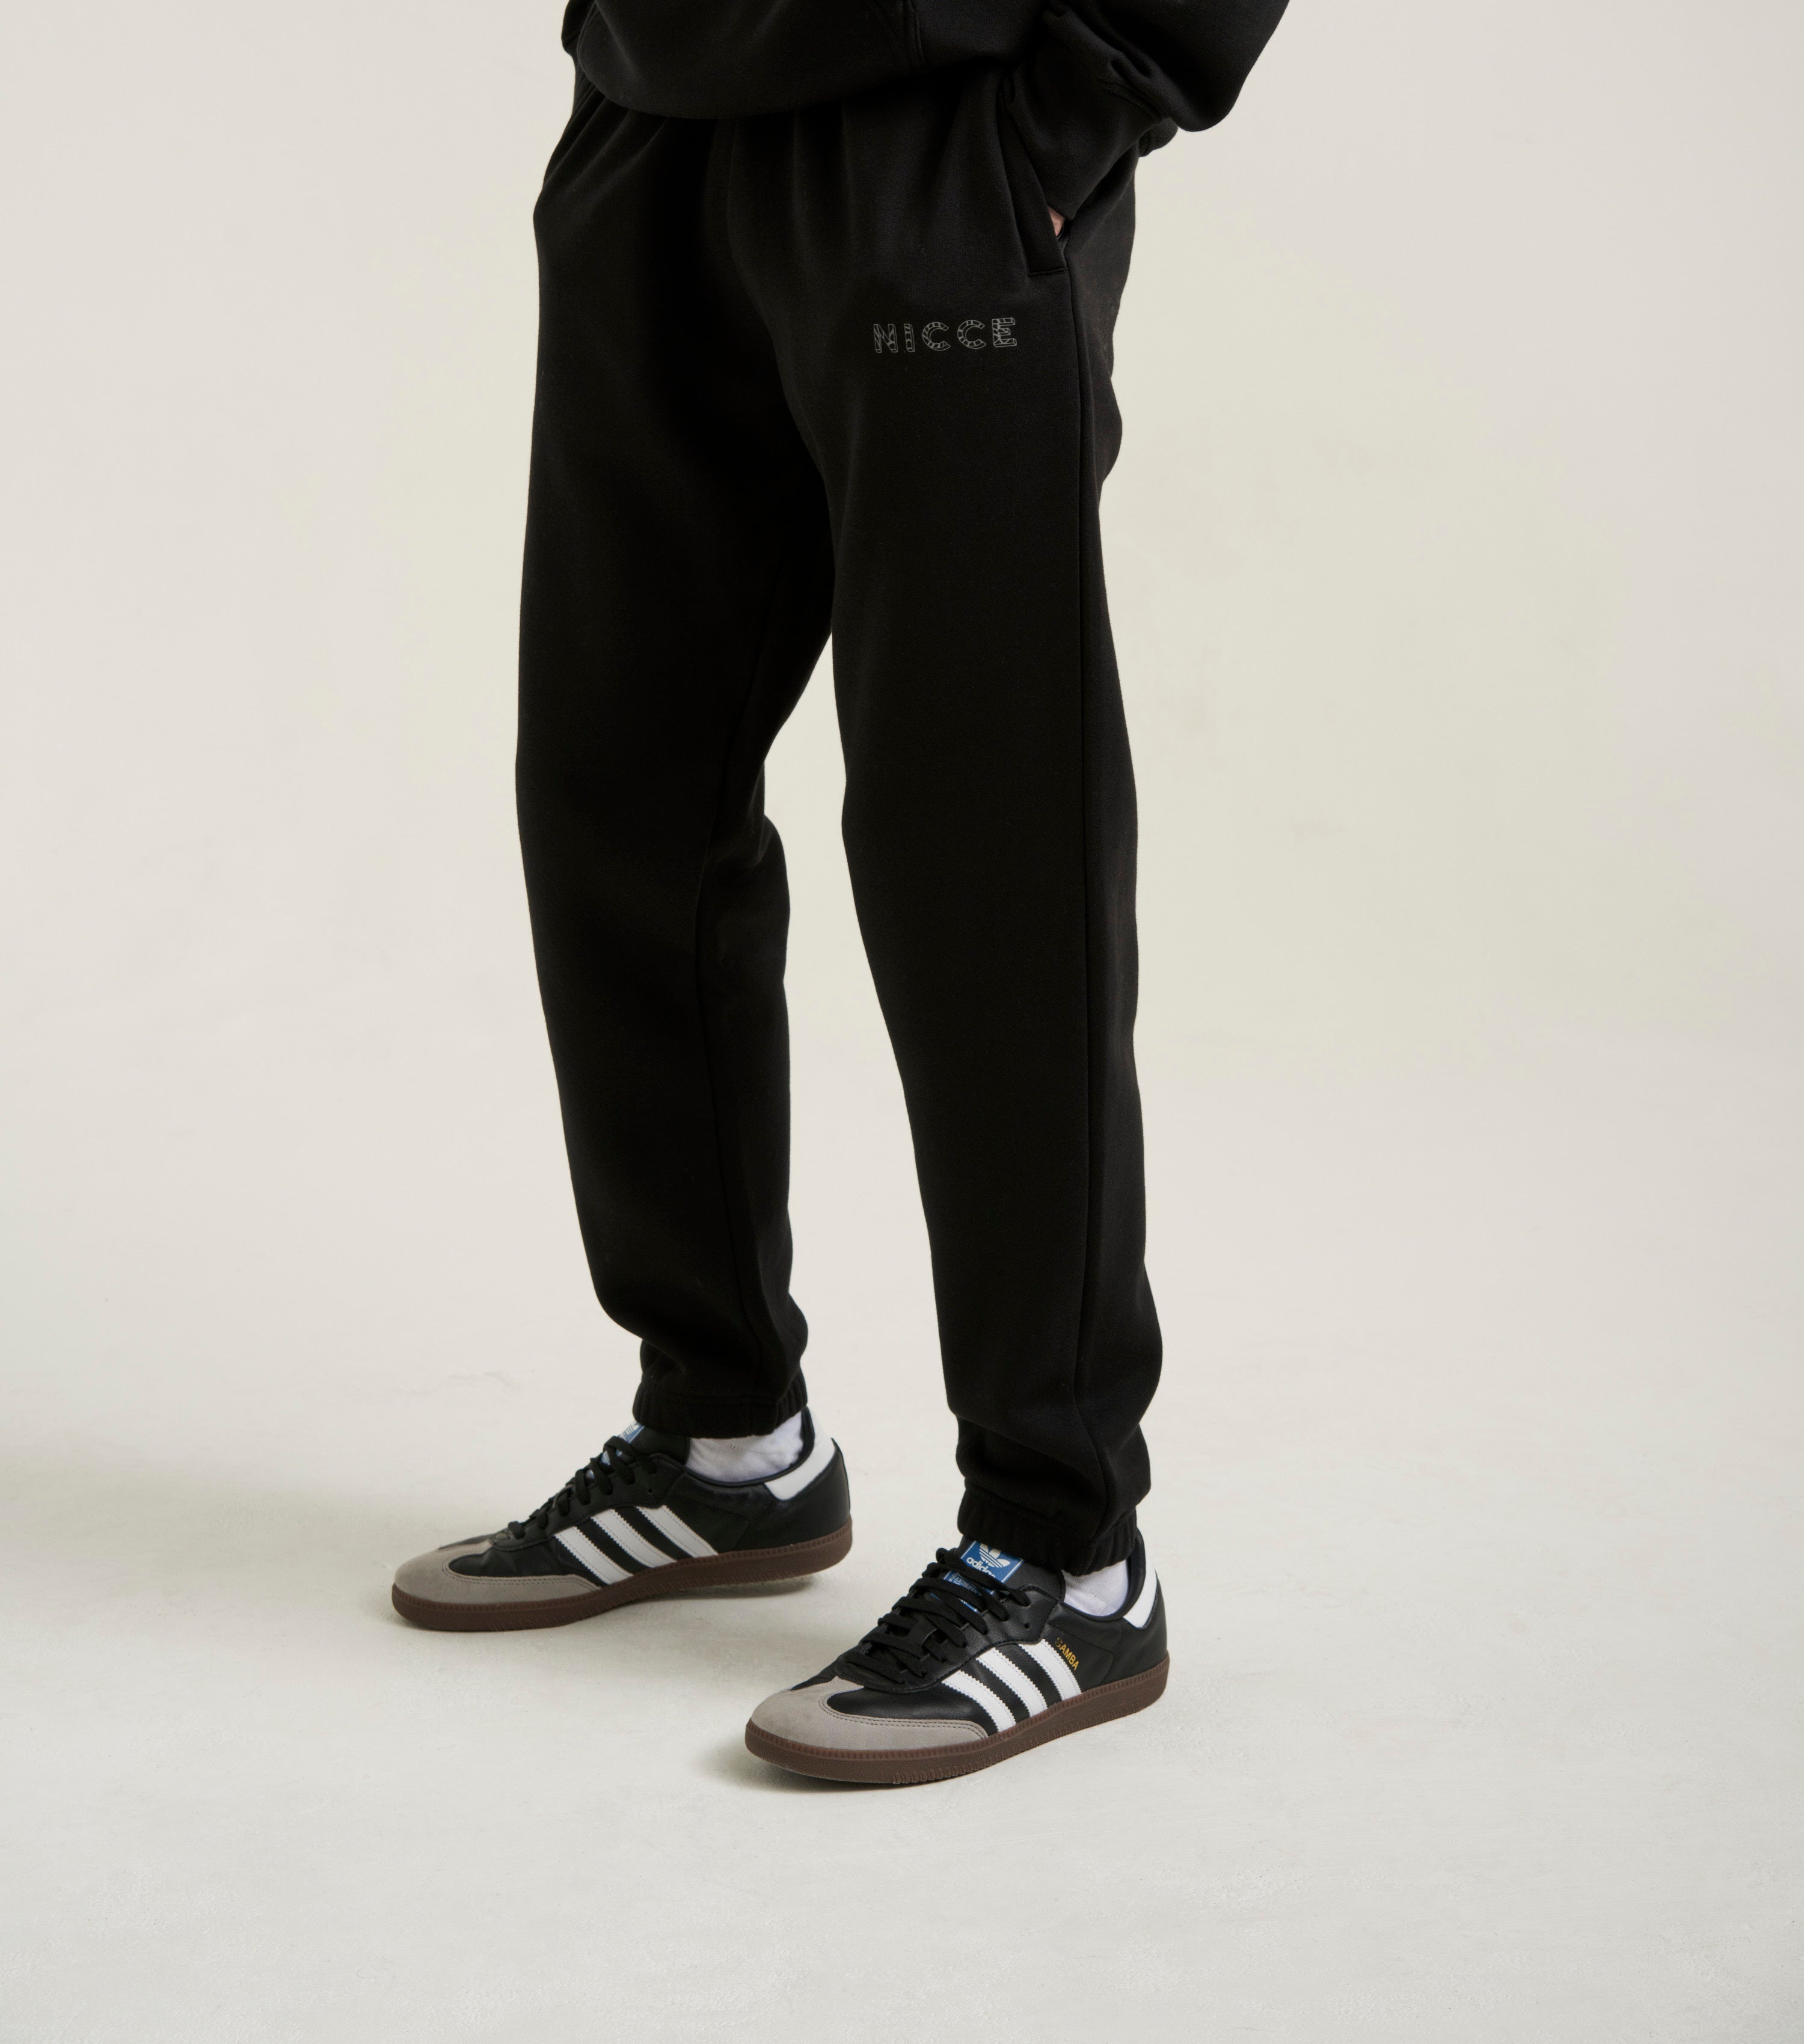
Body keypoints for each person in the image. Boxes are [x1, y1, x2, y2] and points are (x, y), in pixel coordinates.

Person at [391, 0, 1289, 1784]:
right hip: (657, 126)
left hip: (945, 141)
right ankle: (728, 1444)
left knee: (985, 854)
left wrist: (1102, 86)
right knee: (617, 803)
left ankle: (1065, 1545)